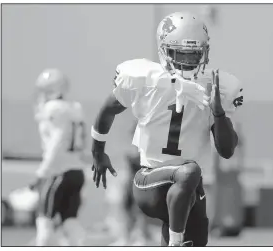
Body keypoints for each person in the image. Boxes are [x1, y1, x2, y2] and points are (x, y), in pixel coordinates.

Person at [91, 12, 243, 246]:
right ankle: (174, 243)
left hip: (191, 191)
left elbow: (227, 151)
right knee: (189, 171)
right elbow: (107, 110)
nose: (188, 62)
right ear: (164, 50)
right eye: (180, 53)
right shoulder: (145, 78)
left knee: (192, 188)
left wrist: (219, 113)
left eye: (194, 55)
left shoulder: (214, 87)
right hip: (150, 179)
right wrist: (97, 152)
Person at [30, 69, 87, 246]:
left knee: (44, 220)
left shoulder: (54, 109)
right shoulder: (74, 108)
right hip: (76, 171)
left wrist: (42, 172)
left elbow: (57, 141)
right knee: (70, 221)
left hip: (58, 172)